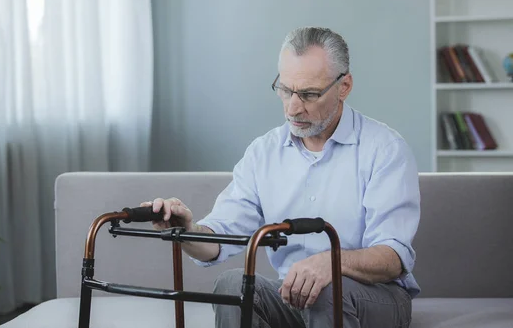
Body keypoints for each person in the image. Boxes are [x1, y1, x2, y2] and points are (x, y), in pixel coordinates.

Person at [141, 27, 420, 328]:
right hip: (295, 296)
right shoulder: (263, 153)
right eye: (285, 90)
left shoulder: (385, 149)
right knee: (233, 283)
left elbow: (393, 258)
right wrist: (186, 230)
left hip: (376, 297)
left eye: (309, 94)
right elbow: (220, 240)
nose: (292, 107)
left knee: (327, 290)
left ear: (344, 86)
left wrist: (330, 263)